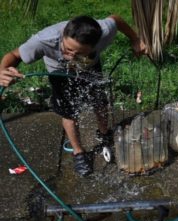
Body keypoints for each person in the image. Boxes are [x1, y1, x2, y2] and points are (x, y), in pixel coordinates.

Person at [0, 15, 146, 177]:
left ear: (95, 45)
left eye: (79, 53)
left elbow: (116, 19)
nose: (70, 57)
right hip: (59, 72)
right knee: (68, 111)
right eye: (68, 50)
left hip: (90, 67)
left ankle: (105, 134)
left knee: (100, 101)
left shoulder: (104, 30)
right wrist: (3, 70)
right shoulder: (42, 41)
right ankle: (79, 152)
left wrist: (135, 39)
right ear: (62, 37)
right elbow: (13, 55)